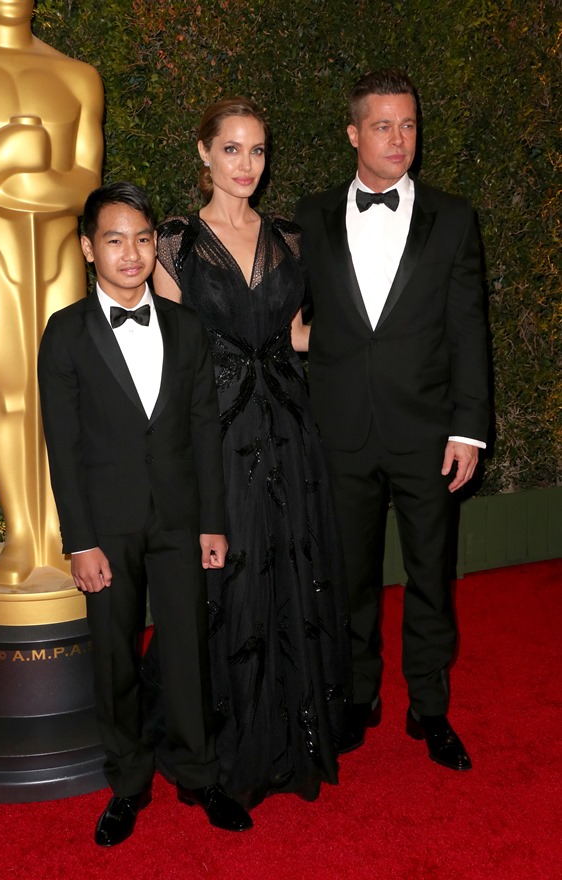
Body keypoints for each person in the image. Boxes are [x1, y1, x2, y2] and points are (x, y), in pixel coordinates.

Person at [147, 96, 351, 810]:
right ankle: (223, 750)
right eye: (231, 149)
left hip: (291, 427)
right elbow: (173, 356)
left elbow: (296, 336)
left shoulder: (289, 237)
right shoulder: (174, 242)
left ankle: (292, 738)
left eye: (257, 150)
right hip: (220, 432)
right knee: (227, 584)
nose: (246, 165)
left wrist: (371, 344)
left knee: (293, 573)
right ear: (203, 153)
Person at [38, 182, 252, 846]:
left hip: (181, 520)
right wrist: (80, 541)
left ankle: (198, 772)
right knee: (115, 659)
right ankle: (128, 782)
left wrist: (212, 522)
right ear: (87, 249)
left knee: (188, 650)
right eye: (114, 240)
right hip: (106, 528)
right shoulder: (65, 332)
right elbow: (62, 447)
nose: (131, 254)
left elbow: (205, 431)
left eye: (142, 239)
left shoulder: (187, 328)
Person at [294, 69, 489, 771]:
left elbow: (469, 330)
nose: (399, 139)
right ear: (353, 134)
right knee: (349, 577)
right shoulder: (311, 216)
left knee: (432, 575)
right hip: (340, 430)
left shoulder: (453, 217)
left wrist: (469, 428)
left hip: (428, 434)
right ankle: (357, 696)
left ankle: (429, 707)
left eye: (408, 125)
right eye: (382, 126)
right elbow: (290, 312)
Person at [0, 0, 104, 586]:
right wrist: (1, 155)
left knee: (65, 392)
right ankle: (22, 536)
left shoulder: (77, 76)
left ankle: (60, 530)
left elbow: (88, 185)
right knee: (7, 393)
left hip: (58, 254)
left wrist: (19, 183)